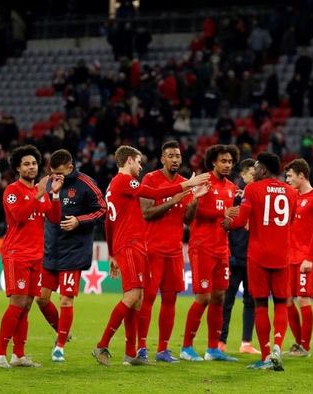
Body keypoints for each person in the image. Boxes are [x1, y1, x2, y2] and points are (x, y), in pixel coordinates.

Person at [92, 145, 209, 366]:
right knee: (133, 297)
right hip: (131, 243)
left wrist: (111, 253)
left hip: (127, 245)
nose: (140, 166)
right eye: (138, 161)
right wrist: (187, 185)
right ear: (128, 161)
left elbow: (109, 221)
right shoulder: (126, 181)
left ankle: (130, 353)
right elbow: (153, 195)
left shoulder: (113, 185)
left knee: (136, 301)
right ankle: (102, 345)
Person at [0, 145, 63, 368]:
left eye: (34, 163)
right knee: (18, 302)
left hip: (36, 255)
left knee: (28, 304)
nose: (31, 167)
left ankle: (18, 355)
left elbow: (54, 217)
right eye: (26, 164)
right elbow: (20, 216)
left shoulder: (39, 192)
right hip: (16, 254)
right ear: (17, 168)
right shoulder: (12, 191)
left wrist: (55, 193)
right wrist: (40, 194)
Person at [136, 141, 207, 363]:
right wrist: (174, 199)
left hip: (175, 251)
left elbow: (187, 219)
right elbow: (147, 213)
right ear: (162, 159)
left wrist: (195, 199)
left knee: (170, 300)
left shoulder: (186, 183)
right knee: (147, 299)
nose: (175, 159)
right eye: (171, 155)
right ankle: (141, 348)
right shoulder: (150, 180)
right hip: (152, 250)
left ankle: (163, 349)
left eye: (178, 156)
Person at [226, 152, 296, 371]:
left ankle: (266, 355)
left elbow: (240, 221)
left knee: (261, 305)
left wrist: (227, 220)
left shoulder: (252, 189)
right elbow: (290, 220)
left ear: (264, 169)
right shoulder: (291, 192)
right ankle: (277, 346)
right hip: (282, 256)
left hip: (258, 256)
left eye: (256, 167)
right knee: (282, 303)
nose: (253, 171)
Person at [36, 149, 107, 362]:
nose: (57, 177)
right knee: (41, 298)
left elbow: (102, 209)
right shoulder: (46, 183)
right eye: (53, 173)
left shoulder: (86, 183)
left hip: (74, 251)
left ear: (70, 167)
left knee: (66, 301)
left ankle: (59, 348)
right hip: (50, 249)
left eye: (61, 173)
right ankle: (63, 333)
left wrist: (79, 221)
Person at [180, 144, 240, 362]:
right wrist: (198, 199)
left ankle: (213, 349)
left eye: (230, 162)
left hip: (222, 247)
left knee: (219, 297)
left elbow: (226, 220)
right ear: (213, 161)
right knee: (203, 297)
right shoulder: (202, 182)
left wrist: (229, 220)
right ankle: (186, 347)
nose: (227, 165)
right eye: (223, 161)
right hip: (202, 246)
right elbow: (190, 216)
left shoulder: (232, 187)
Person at [284, 158, 313, 358]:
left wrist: (309, 257)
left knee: (303, 299)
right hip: (290, 257)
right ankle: (298, 343)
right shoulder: (292, 195)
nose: (287, 179)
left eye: (290, 176)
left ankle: (306, 347)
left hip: (307, 258)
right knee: (287, 300)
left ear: (301, 175)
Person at [218, 158, 260, 355]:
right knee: (228, 300)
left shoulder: (257, 195)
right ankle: (220, 341)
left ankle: (246, 343)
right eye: (252, 173)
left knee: (250, 300)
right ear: (243, 175)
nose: (255, 176)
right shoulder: (234, 194)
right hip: (235, 255)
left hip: (252, 257)